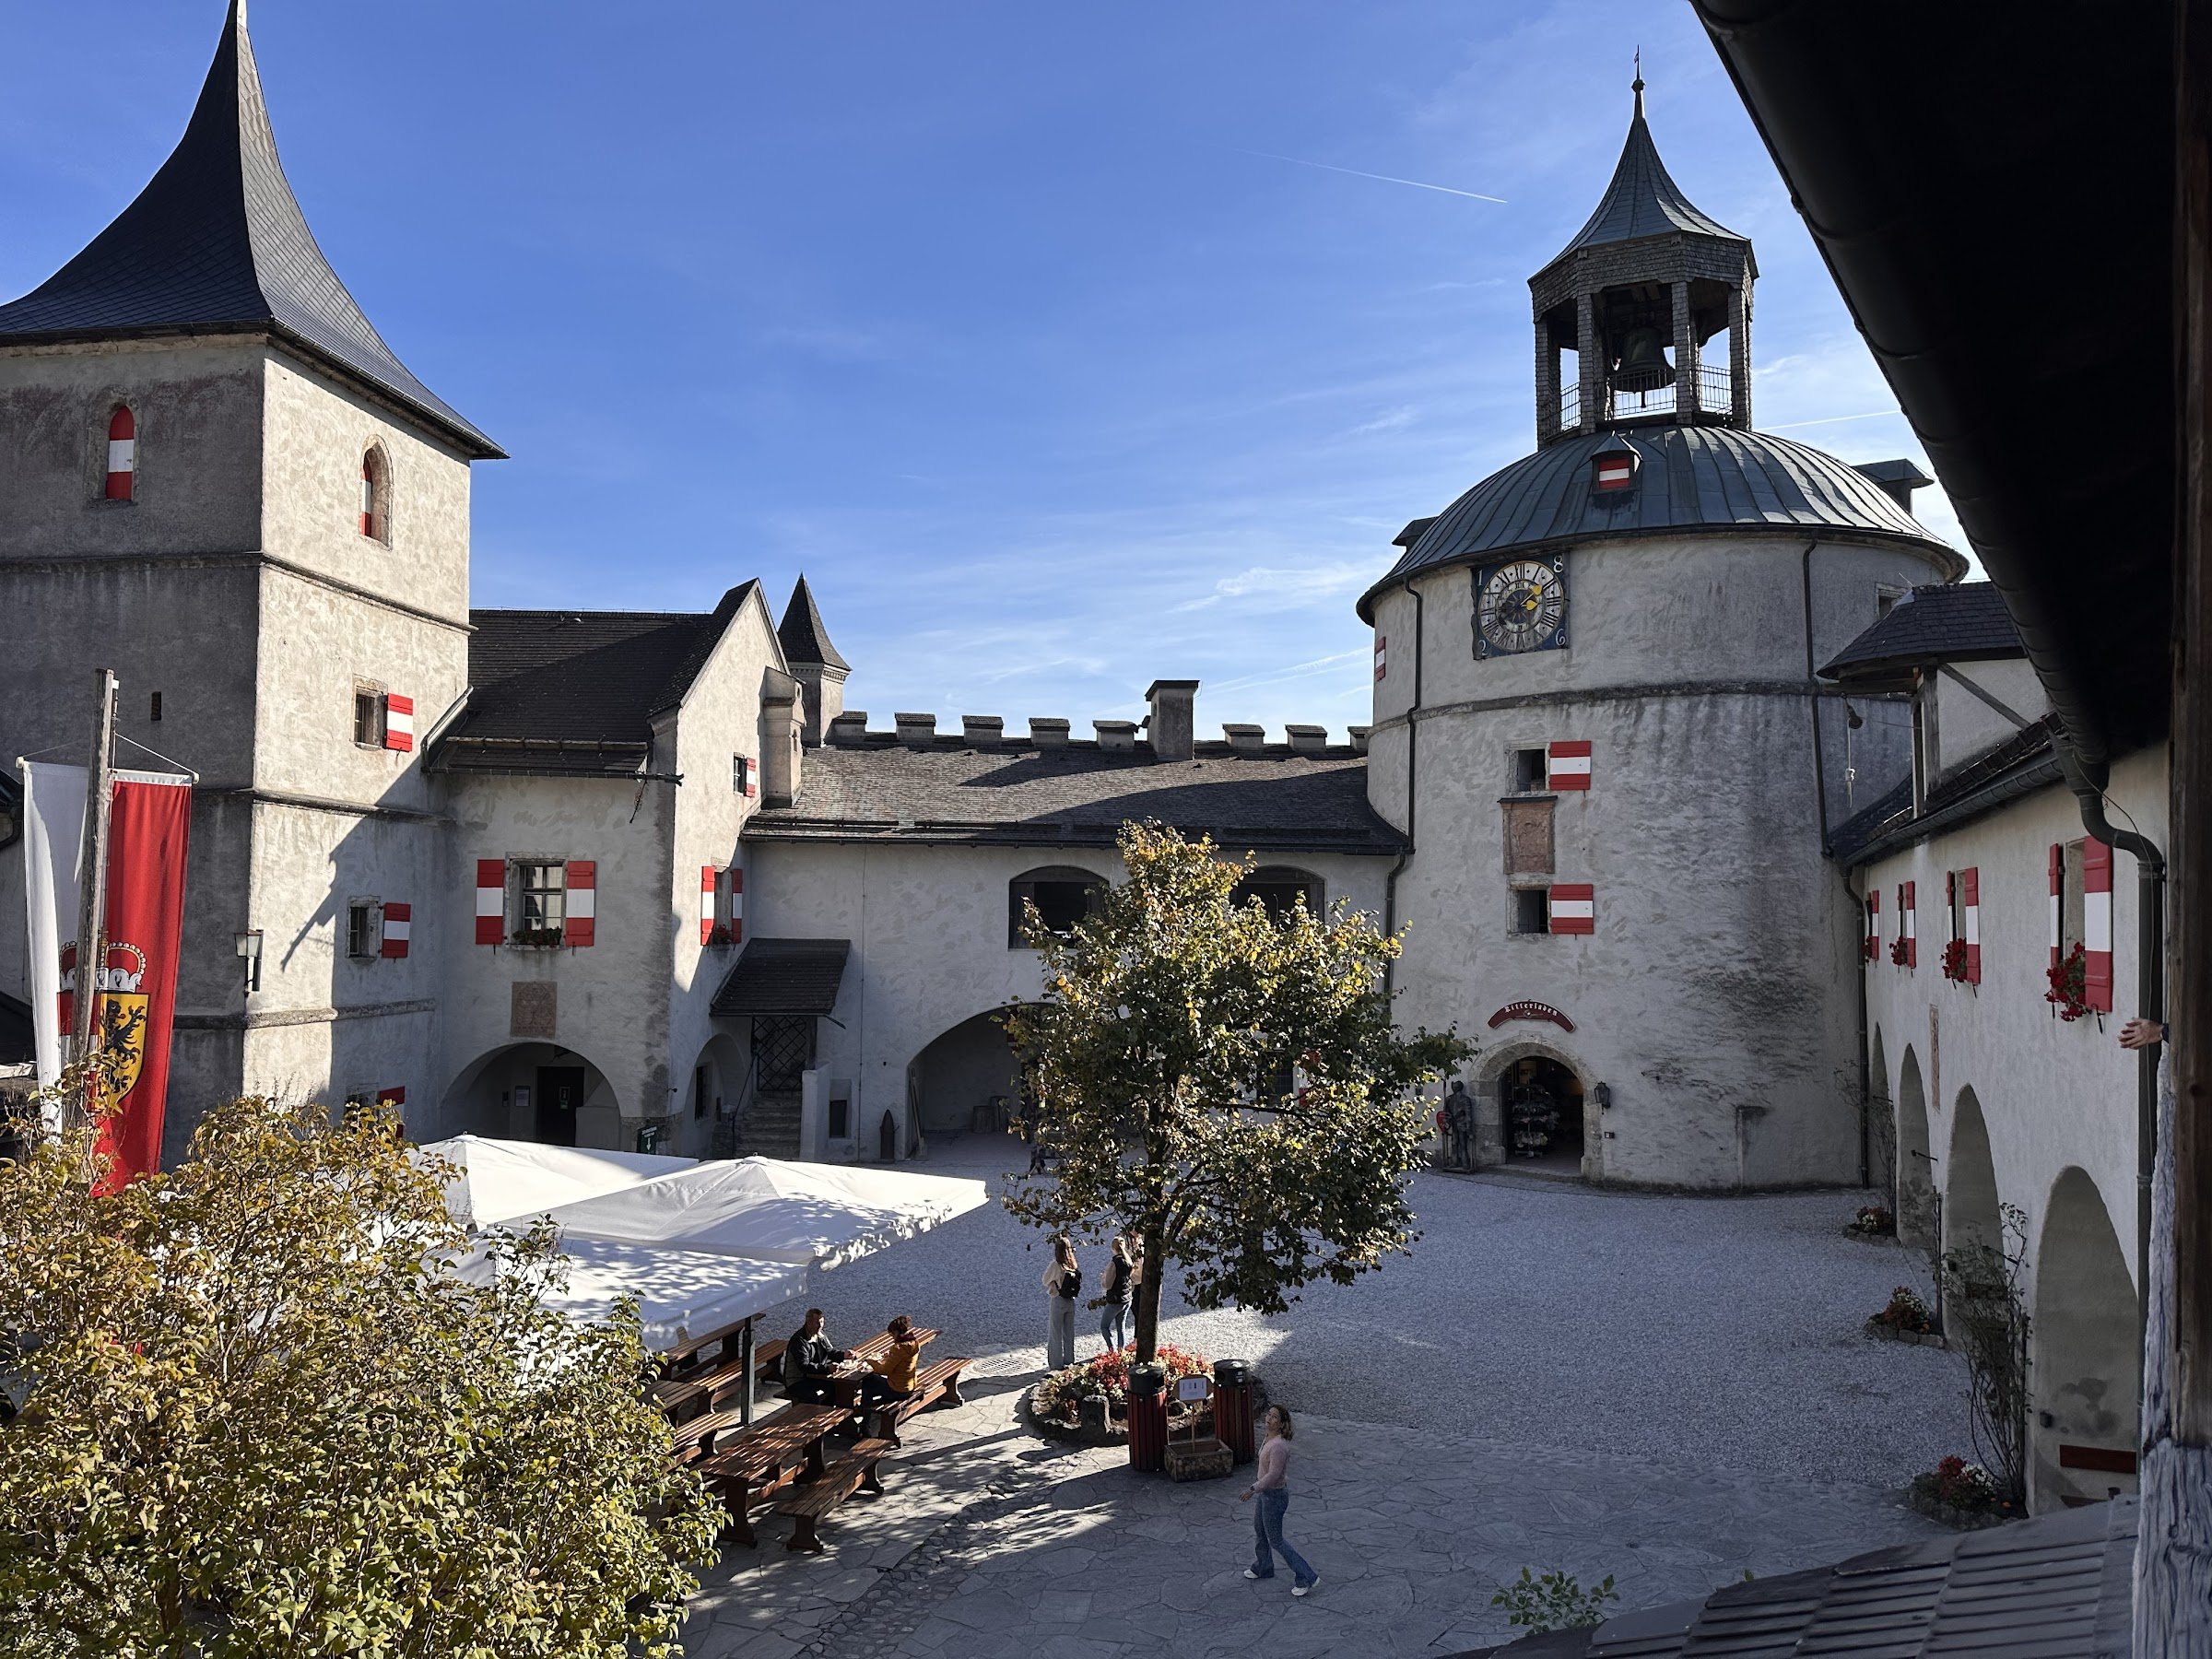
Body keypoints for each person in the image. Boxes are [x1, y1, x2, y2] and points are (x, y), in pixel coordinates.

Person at [1240, 1405, 1318, 1596]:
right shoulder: (1268, 1438)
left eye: (1274, 1417)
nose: (1269, 1418)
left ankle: (1307, 1576)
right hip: (1266, 1494)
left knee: (1277, 1540)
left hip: (1274, 1496)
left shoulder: (1279, 1447)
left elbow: (1273, 1475)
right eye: (1269, 1414)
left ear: (1282, 1424)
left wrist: (1252, 1489)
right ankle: (1263, 1566)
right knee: (1260, 1530)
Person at [855, 1313, 925, 1423]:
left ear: (896, 1332)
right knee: (872, 1380)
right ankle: (865, 1408)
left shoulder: (898, 1348)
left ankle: (865, 1418)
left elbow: (884, 1371)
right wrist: (890, 1356)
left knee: (868, 1383)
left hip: (897, 1390)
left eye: (892, 1334)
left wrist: (871, 1361)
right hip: (910, 1386)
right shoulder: (914, 1343)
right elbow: (903, 1361)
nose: (892, 1337)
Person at [784, 1308, 847, 1405]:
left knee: (835, 1387)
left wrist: (844, 1355)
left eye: (822, 1322)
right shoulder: (799, 1341)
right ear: (809, 1323)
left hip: (813, 1376)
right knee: (812, 1397)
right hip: (797, 1380)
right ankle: (815, 1412)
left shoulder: (819, 1334)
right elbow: (804, 1366)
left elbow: (830, 1351)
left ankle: (828, 1409)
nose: (820, 1326)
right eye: (817, 1323)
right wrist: (826, 1368)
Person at [1042, 1237, 1080, 1370]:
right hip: (1071, 1301)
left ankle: (1056, 1364)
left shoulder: (1056, 1264)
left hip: (1058, 1300)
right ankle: (1069, 1360)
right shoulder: (1073, 1264)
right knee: (1069, 1332)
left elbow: (1045, 1280)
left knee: (1055, 1333)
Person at [1096, 1235, 1135, 1352]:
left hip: (1115, 1300)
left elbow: (1107, 1284)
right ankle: (1121, 1351)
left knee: (1104, 1326)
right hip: (1127, 1298)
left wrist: (1104, 1278)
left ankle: (1112, 1349)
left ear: (1113, 1248)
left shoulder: (1114, 1263)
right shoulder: (1128, 1261)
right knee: (1120, 1326)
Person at [1443, 1080, 1476, 1170]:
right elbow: (1446, 1113)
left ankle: (1464, 1163)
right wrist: (1446, 1122)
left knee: (1462, 1144)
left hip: (1462, 1124)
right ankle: (1454, 1162)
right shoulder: (1449, 1099)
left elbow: (1468, 1116)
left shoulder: (1465, 1099)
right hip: (1454, 1124)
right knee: (1455, 1144)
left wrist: (1469, 1130)